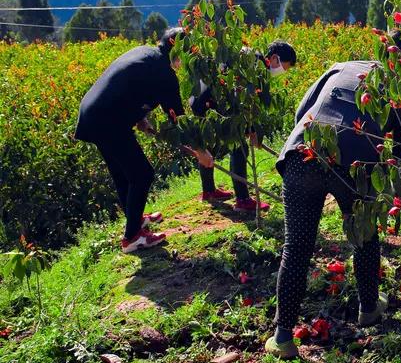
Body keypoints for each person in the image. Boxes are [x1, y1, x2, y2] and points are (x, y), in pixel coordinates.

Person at [264, 32, 401, 359]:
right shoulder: (395, 89)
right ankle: (369, 309)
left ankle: (283, 337)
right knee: (364, 235)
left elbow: (302, 113)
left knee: (297, 245)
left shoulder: (341, 67)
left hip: (302, 154)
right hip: (355, 165)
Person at [75, 27, 214, 253]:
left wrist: (140, 117)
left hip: (93, 116)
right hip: (109, 121)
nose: (186, 59)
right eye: (186, 52)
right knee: (142, 174)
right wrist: (200, 150)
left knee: (124, 173)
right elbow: (178, 120)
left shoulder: (145, 54)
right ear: (174, 47)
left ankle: (136, 221)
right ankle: (132, 238)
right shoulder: (164, 74)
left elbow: (129, 88)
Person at [191, 40, 297, 211]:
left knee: (211, 145)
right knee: (239, 148)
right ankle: (243, 200)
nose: (284, 71)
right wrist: (251, 130)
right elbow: (243, 103)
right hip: (210, 101)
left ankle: (209, 191)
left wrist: (252, 130)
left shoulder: (252, 56)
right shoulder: (254, 63)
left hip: (202, 101)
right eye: (286, 66)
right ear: (275, 58)